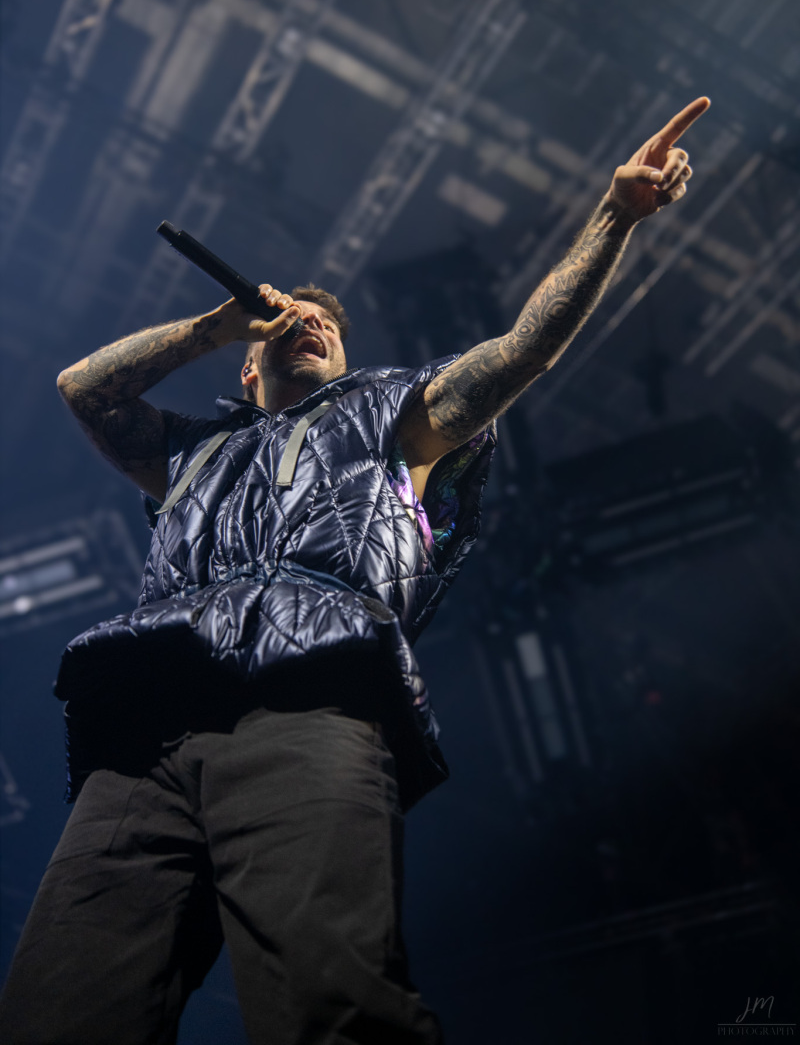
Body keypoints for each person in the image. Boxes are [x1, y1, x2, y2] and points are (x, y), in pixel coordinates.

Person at [0, 98, 709, 1044]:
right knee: (57, 1010)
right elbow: (84, 388)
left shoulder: (393, 420)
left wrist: (615, 215)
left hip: (310, 698)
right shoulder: (193, 450)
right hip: (147, 724)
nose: (311, 323)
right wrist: (216, 326)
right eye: (291, 319)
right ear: (248, 367)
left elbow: (522, 350)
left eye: (328, 324)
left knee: (327, 996)